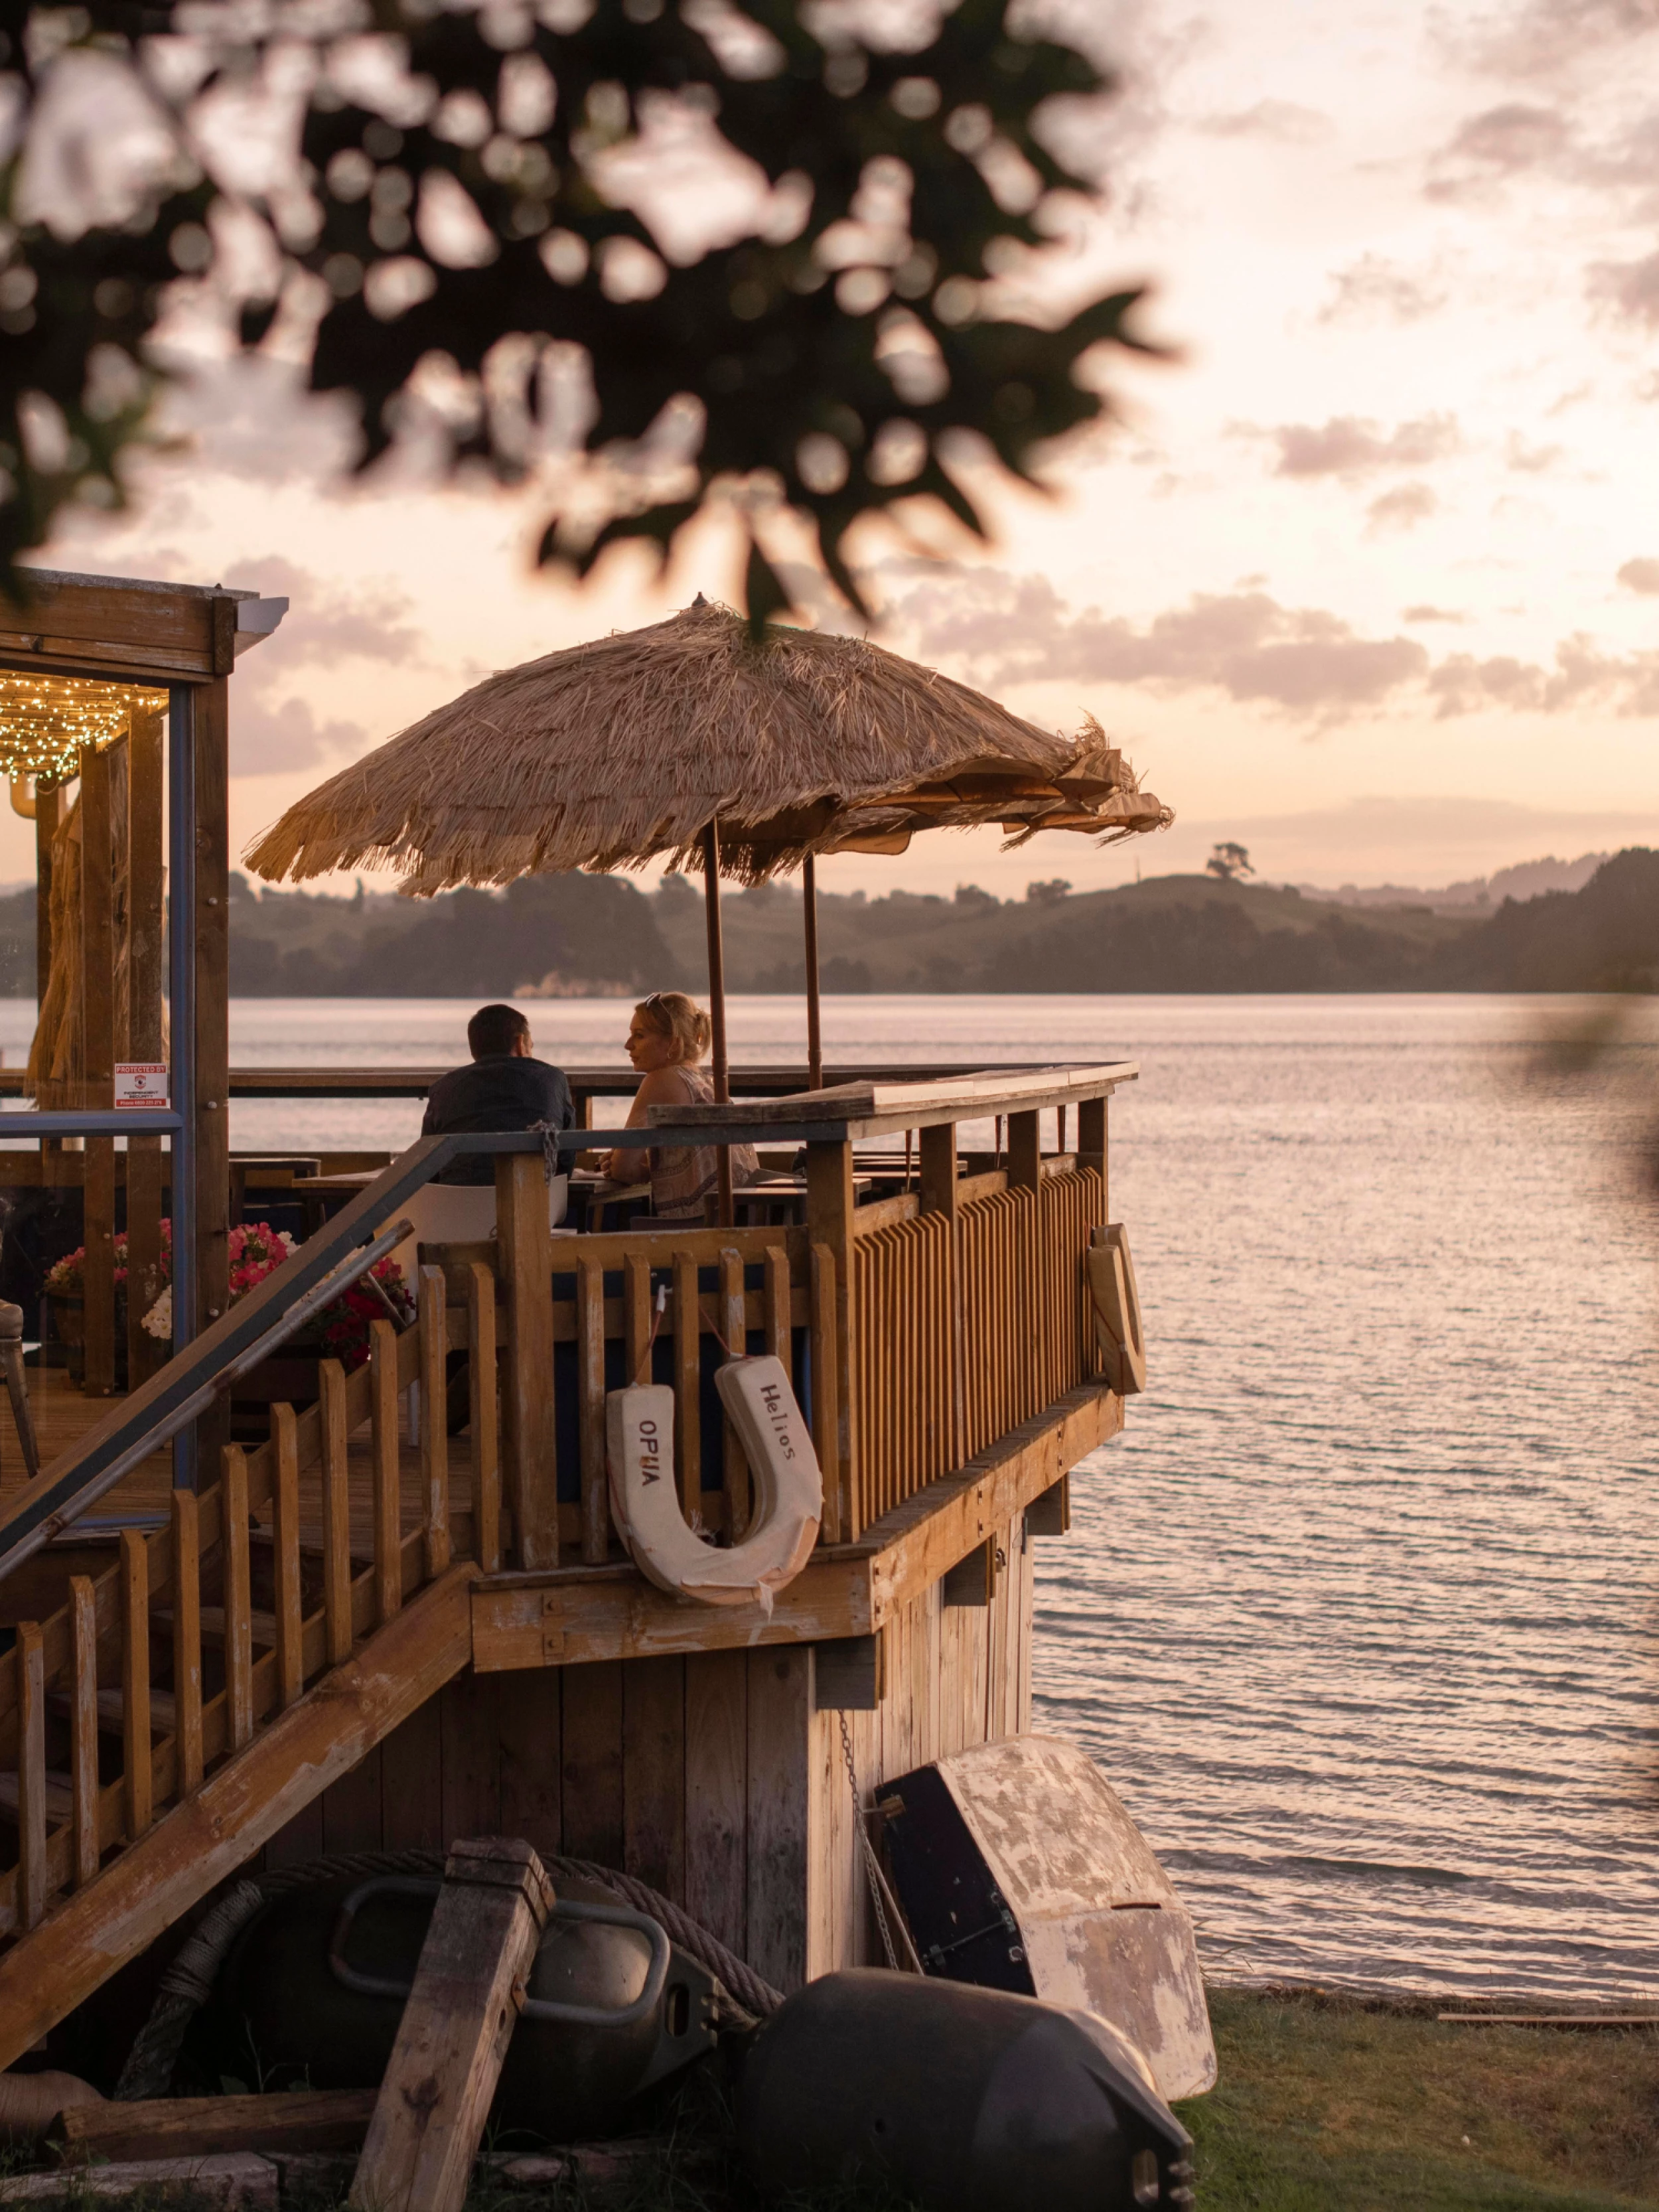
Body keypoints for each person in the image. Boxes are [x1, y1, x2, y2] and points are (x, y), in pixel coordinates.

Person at [603, 992, 758, 1220]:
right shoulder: (702, 1080)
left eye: (639, 1036)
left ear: (673, 1042)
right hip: (741, 1214)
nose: (628, 1045)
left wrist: (619, 1163)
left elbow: (624, 1169)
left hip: (700, 1227)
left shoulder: (662, 1079)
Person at [421, 1003, 573, 1184]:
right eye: (531, 1047)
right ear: (520, 1044)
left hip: (456, 1208)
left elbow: (426, 1168)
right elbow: (565, 1164)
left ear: (474, 1049)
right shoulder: (553, 1079)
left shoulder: (443, 1088)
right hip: (536, 1206)